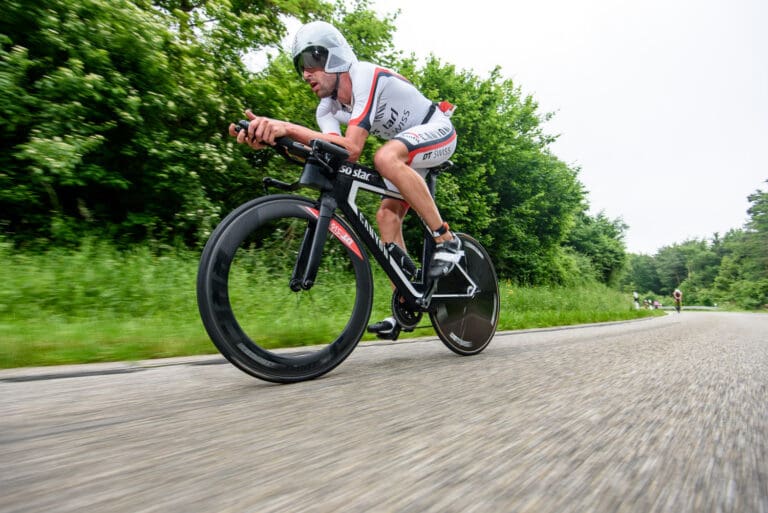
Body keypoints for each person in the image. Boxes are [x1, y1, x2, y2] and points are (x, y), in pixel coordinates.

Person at [229, 21, 461, 340]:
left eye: (312, 62)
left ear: (334, 57)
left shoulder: (364, 75)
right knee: (385, 215)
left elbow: (351, 149)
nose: (305, 73)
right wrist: (271, 138)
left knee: (384, 158)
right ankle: (407, 302)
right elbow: (329, 154)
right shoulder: (327, 108)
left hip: (436, 130)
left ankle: (446, 240)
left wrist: (287, 126)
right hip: (406, 148)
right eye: (301, 67)